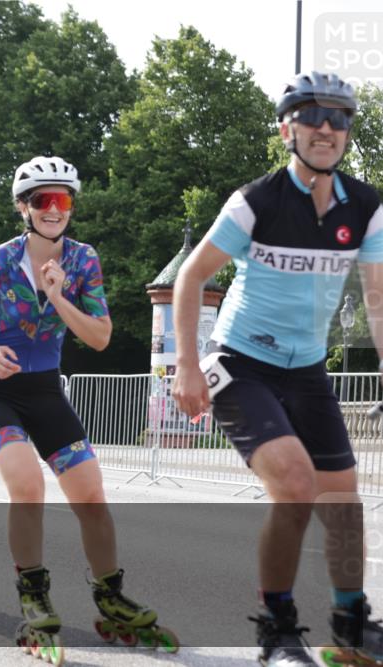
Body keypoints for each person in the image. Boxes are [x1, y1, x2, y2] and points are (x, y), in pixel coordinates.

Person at [172, 71, 383, 666]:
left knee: (343, 501)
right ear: (288, 130)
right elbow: (191, 276)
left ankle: (349, 625)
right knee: (294, 485)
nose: (326, 128)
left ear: (347, 132)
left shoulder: (365, 207)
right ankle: (277, 630)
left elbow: (377, 299)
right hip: (242, 363)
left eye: (339, 118)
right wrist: (187, 365)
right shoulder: (256, 201)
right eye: (311, 116)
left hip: (307, 370)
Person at [0, 156, 173, 661]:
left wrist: (58, 296)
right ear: (24, 208)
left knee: (91, 496)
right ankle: (34, 596)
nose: (53, 209)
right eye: (42, 200)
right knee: (27, 484)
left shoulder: (83, 260)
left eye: (63, 200)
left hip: (46, 391)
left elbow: (99, 337)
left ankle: (110, 596)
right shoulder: (1, 259)